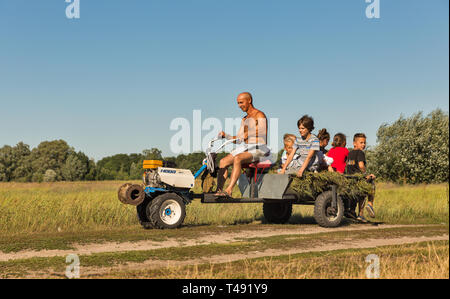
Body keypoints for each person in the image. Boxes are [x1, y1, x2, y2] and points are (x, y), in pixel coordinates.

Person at [214, 92, 270, 197]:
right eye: (238, 103)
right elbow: (239, 139)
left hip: (260, 148)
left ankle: (229, 190)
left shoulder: (259, 115)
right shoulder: (244, 119)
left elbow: (263, 132)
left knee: (237, 158)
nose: (239, 106)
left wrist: (247, 134)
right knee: (223, 161)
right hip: (246, 148)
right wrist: (226, 136)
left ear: (249, 101)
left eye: (241, 102)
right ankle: (219, 190)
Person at [346, 133, 376, 222]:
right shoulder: (360, 153)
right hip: (358, 179)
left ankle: (352, 211)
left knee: (357, 195)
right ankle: (369, 205)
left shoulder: (349, 153)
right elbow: (361, 165)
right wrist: (366, 175)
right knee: (371, 184)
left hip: (350, 179)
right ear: (354, 143)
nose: (363, 145)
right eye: (361, 142)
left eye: (364, 143)